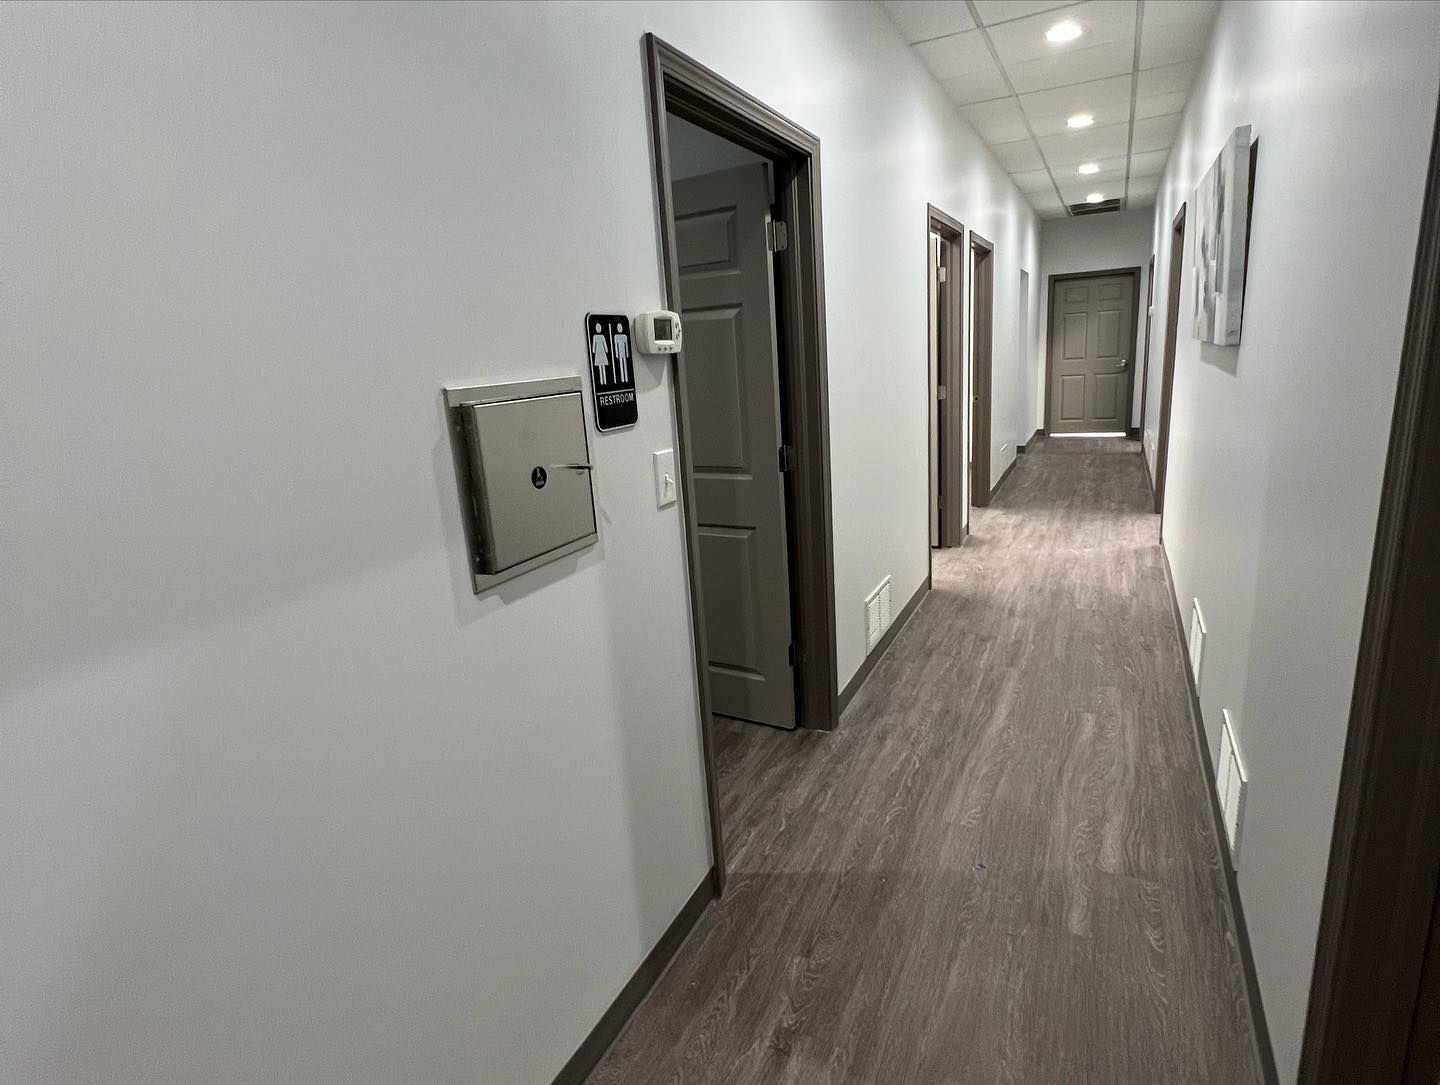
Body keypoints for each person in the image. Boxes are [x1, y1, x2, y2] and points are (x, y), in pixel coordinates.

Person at [590, 322, 610, 386]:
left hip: (602, 352)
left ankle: (604, 381)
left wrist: (606, 350)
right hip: (598, 353)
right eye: (598, 328)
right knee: (600, 367)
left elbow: (604, 344)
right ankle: (602, 381)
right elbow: (594, 345)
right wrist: (593, 351)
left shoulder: (602, 336)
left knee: (603, 366)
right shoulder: (595, 337)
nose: (599, 329)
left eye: (599, 328)